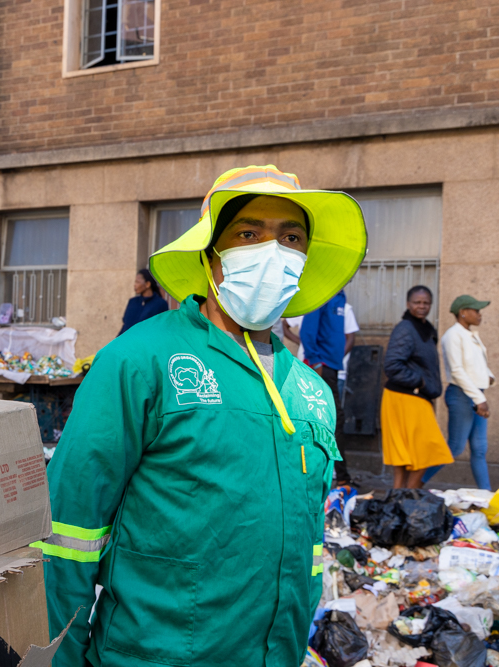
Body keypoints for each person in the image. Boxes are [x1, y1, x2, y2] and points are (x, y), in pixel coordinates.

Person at [41, 165, 368, 667]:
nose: (273, 252)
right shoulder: (140, 360)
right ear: (210, 253)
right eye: (249, 233)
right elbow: (69, 530)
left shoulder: (312, 392)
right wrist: (58, 658)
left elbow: (305, 545)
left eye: (291, 238)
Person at [381, 286, 453, 489]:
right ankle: (408, 496)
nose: (422, 306)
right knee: (426, 451)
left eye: (426, 303)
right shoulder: (406, 328)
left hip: (415, 397)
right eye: (417, 302)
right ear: (408, 304)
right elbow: (392, 365)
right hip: (405, 396)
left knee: (410, 455)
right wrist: (420, 382)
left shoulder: (426, 329)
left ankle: (399, 499)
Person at [423, 295, 494, 490]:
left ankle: (487, 495)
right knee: (455, 447)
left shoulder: (470, 335)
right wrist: (479, 399)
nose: (479, 315)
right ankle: (414, 484)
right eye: (475, 311)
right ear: (463, 312)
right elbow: (457, 371)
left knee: (480, 449)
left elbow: (477, 365)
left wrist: (488, 377)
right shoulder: (453, 335)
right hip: (462, 396)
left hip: (476, 395)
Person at [299, 290, 352, 485]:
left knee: (332, 419)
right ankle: (338, 477)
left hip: (333, 366)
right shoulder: (323, 294)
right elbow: (307, 332)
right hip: (322, 367)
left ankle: (332, 475)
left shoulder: (341, 296)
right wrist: (315, 362)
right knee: (332, 419)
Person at [118, 268, 168, 335]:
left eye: (137, 282)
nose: (135, 285)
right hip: (128, 340)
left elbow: (163, 328)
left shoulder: (160, 304)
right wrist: (117, 340)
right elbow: (125, 326)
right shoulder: (132, 302)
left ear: (147, 284)